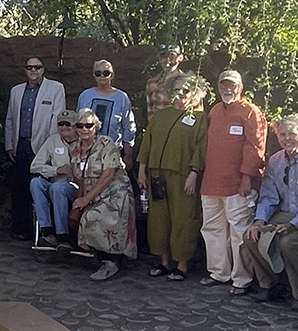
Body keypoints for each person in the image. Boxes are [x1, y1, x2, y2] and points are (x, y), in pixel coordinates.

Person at [240, 115, 298, 311]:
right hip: (285, 214)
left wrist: (293, 225)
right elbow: (268, 196)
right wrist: (259, 220)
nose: (287, 138)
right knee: (251, 236)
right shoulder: (275, 161)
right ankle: (272, 284)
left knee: (288, 243)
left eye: (292, 133)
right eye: (282, 134)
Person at [198, 70, 266, 295]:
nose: (227, 89)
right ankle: (219, 273)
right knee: (212, 229)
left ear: (241, 87)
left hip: (237, 185)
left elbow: (255, 147)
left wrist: (247, 177)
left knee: (239, 231)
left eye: (232, 85)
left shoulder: (250, 112)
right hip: (211, 182)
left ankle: (241, 279)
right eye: (223, 85)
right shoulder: (215, 111)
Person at [137, 72, 208, 281]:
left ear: (194, 94)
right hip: (156, 175)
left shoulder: (199, 118)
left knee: (183, 219)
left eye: (185, 91)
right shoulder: (160, 115)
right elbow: (147, 143)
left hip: (183, 176)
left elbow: (201, 148)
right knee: (158, 220)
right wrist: (142, 170)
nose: (180, 95)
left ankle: (182, 264)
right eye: (176, 90)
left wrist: (194, 173)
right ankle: (164, 262)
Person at [69, 109, 137, 281]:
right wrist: (80, 200)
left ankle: (111, 261)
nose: (85, 129)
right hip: (93, 192)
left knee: (95, 216)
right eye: (80, 125)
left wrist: (87, 198)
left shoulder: (106, 143)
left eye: (89, 125)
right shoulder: (74, 148)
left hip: (114, 190)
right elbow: (80, 176)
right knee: (86, 216)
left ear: (96, 127)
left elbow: (108, 174)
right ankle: (103, 257)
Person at [5, 56, 66, 240]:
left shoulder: (56, 89)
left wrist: (49, 149)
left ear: (43, 69)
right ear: (25, 70)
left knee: (42, 188)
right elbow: (9, 119)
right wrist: (9, 144)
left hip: (43, 146)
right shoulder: (16, 91)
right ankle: (23, 229)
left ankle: (47, 230)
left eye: (37, 67)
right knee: (22, 188)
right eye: (29, 67)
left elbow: (57, 120)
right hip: (21, 145)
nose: (33, 70)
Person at [30, 110, 80, 249]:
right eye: (60, 124)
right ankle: (47, 230)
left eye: (68, 124)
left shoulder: (83, 141)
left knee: (58, 188)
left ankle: (62, 235)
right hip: (54, 184)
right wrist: (56, 170)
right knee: (35, 183)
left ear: (75, 126)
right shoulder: (52, 140)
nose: (64, 127)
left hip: (75, 187)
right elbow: (34, 166)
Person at [77, 60, 135, 166]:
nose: (102, 76)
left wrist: (128, 153)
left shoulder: (122, 97)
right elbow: (78, 123)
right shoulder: (85, 96)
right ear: (94, 75)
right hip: (87, 152)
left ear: (112, 75)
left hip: (113, 151)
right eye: (98, 73)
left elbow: (128, 126)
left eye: (106, 73)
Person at [144, 44, 202, 120]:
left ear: (180, 58)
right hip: (159, 128)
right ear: (159, 59)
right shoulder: (152, 83)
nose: (167, 60)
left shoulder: (190, 82)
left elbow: (198, 113)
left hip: (181, 128)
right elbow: (150, 112)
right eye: (163, 56)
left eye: (172, 56)